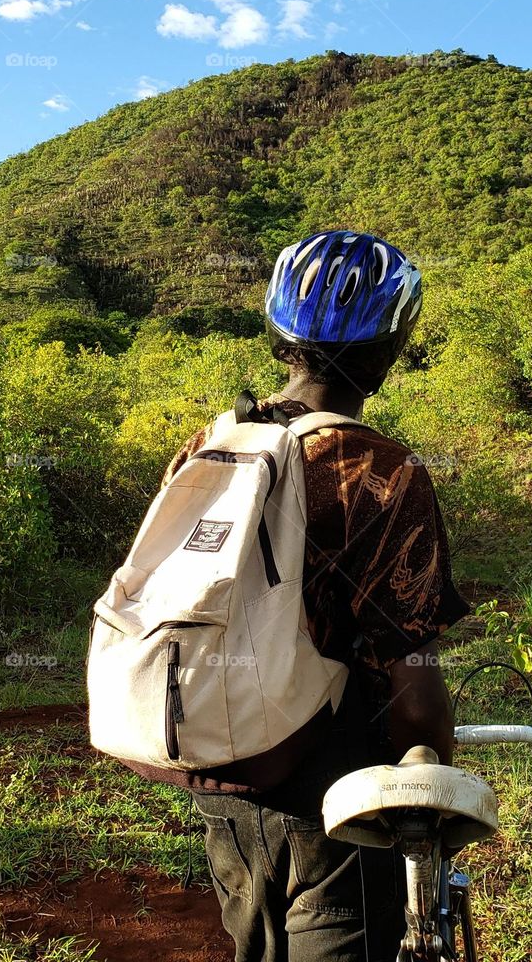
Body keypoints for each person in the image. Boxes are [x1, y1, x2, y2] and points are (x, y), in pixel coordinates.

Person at [161, 230, 470, 962]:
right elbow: (413, 676)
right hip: (340, 791)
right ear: (393, 346)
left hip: (224, 775)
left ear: (279, 333)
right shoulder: (386, 472)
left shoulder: (211, 442)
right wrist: (433, 771)